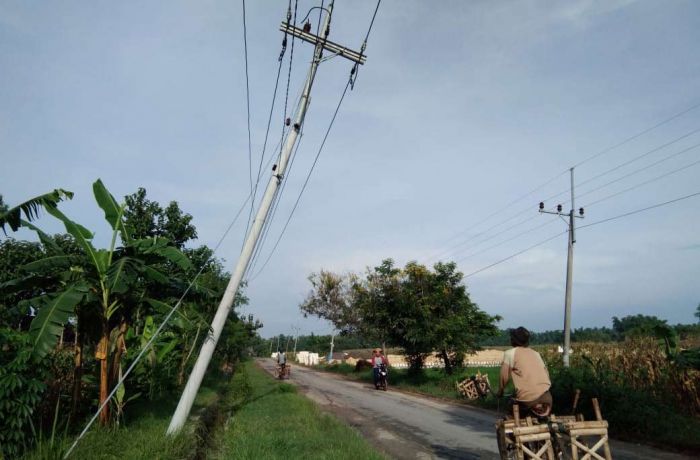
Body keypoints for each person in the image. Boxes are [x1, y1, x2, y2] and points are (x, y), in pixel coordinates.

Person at [497, 327, 552, 417]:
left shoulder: (510, 353)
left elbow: (504, 377)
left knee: (511, 406)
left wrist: (500, 392)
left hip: (528, 400)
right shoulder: (536, 353)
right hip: (547, 397)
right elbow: (546, 373)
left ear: (514, 340)